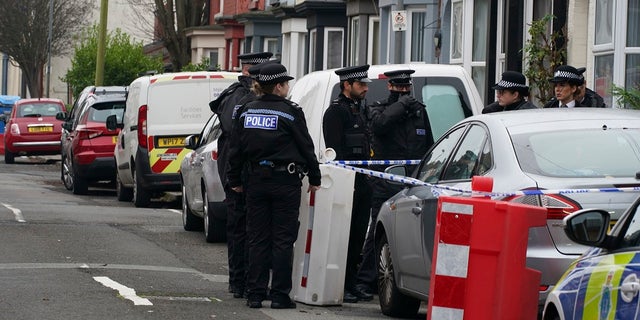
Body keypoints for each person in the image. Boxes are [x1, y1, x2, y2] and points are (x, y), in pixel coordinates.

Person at [226, 63, 322, 309]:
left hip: (255, 181)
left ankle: (255, 294)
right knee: (282, 240)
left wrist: (234, 180)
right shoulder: (291, 112)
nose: (288, 88)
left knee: (257, 239)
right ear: (278, 86)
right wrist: (315, 177)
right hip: (285, 182)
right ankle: (279, 295)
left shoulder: (246, 112)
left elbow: (234, 150)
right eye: (286, 83)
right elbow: (306, 147)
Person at [354, 69, 433, 296]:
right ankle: (367, 280)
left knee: (411, 232)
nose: (403, 91)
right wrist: (401, 105)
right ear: (390, 87)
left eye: (406, 87)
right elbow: (380, 125)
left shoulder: (419, 111)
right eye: (398, 87)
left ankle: (405, 277)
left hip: (412, 182)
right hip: (385, 181)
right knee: (378, 232)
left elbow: (428, 142)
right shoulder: (379, 108)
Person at [208, 51, 273, 299]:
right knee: (240, 229)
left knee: (254, 230)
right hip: (239, 173)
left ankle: (250, 280)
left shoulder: (251, 95)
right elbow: (236, 134)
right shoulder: (236, 96)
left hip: (251, 173)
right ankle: (239, 280)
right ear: (251, 71)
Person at [322, 65, 373, 303]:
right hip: (347, 182)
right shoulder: (336, 112)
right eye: (361, 85)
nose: (366, 88)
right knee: (346, 235)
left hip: (363, 181)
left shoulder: (359, 110)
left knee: (358, 236)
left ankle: (352, 282)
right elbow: (335, 151)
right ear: (347, 85)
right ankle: (343, 283)